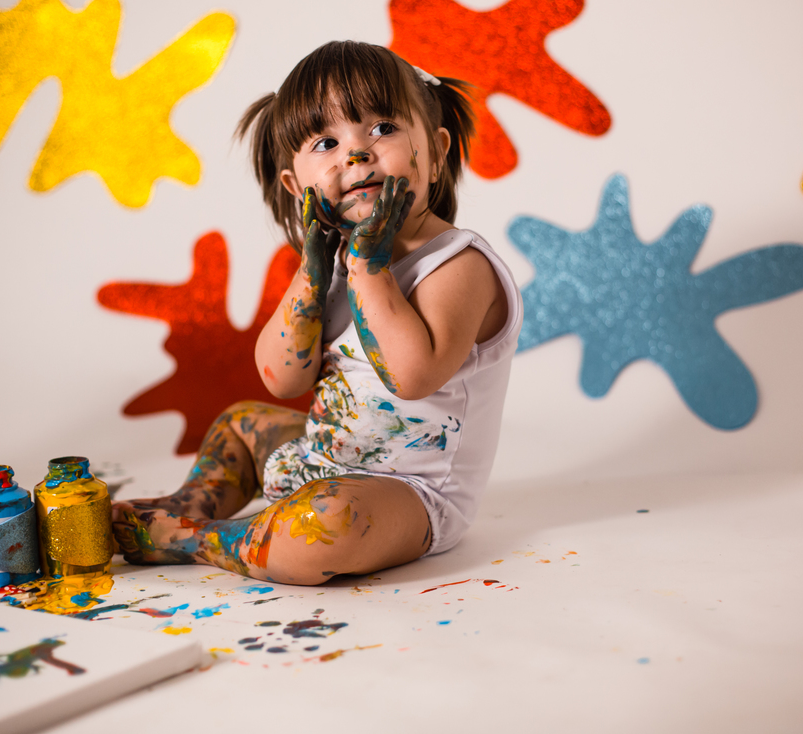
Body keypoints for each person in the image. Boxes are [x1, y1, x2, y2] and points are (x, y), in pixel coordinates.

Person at [112, 41, 523, 585]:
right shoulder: (329, 266)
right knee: (241, 421)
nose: (355, 154)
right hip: (318, 458)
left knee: (323, 526)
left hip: (406, 498)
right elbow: (282, 380)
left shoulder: (457, 265)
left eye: (382, 129)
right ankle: (191, 503)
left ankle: (194, 537)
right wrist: (310, 276)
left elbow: (412, 377)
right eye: (326, 142)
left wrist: (369, 269)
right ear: (295, 185)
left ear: (438, 150)